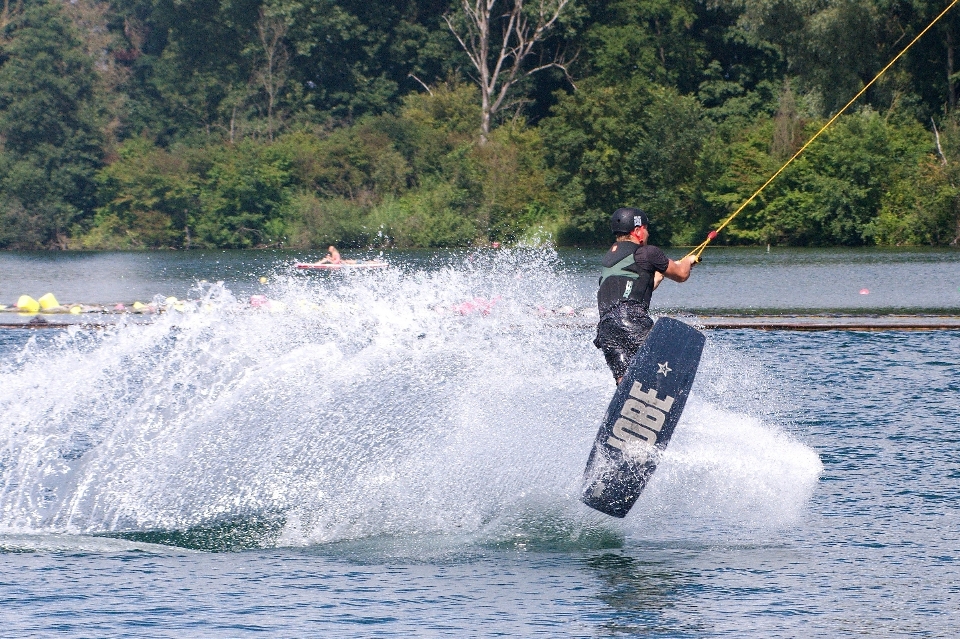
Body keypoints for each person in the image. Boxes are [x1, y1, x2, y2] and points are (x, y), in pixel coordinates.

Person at [594, 207, 698, 385]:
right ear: (638, 231)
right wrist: (688, 261)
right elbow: (681, 275)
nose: (648, 233)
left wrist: (662, 274)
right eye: (646, 228)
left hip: (606, 329)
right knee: (666, 363)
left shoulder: (609, 259)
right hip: (631, 319)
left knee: (625, 381)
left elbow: (639, 287)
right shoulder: (647, 252)